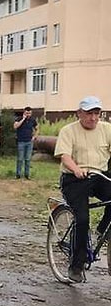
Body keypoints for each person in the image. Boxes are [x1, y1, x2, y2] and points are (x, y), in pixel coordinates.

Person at [54, 96, 111, 283]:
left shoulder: (106, 129)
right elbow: (64, 155)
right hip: (75, 179)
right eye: (89, 113)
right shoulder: (68, 131)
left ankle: (103, 229)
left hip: (99, 175)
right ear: (79, 113)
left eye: (97, 113)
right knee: (83, 218)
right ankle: (76, 265)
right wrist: (76, 169)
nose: (93, 118)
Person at [14, 106, 38, 179]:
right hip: (21, 141)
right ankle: (18, 174)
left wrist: (35, 136)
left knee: (27, 159)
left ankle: (27, 175)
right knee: (20, 159)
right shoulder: (19, 119)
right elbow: (15, 126)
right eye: (27, 113)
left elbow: (37, 128)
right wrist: (23, 119)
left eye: (30, 113)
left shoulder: (32, 120)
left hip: (29, 142)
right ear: (24, 112)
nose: (28, 115)